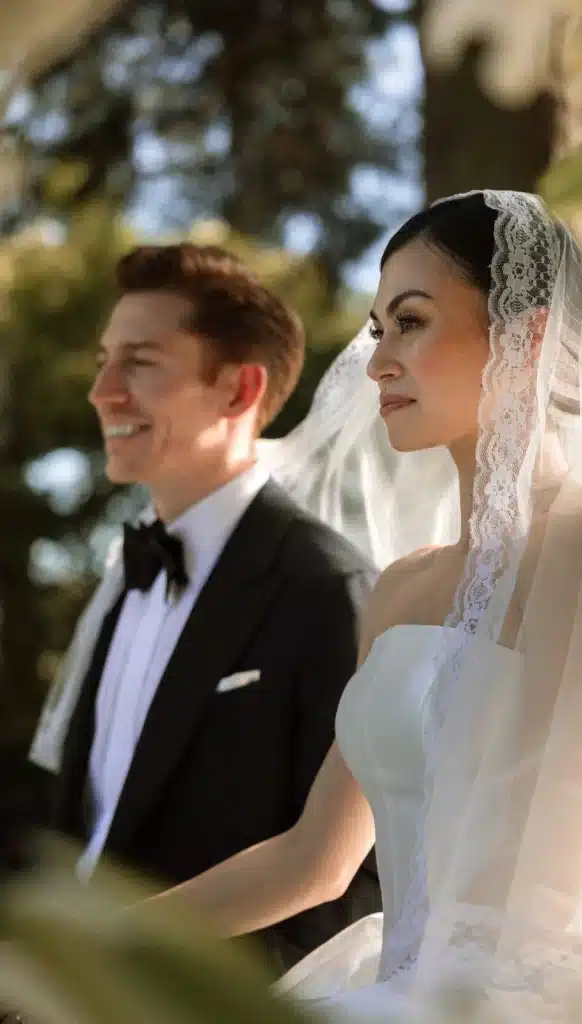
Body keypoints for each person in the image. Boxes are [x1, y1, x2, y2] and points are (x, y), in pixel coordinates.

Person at [146, 191, 582, 1022]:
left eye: (412, 321)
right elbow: (311, 862)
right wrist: (80, 951)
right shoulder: (401, 587)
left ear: (524, 334)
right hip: (390, 987)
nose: (377, 363)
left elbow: (558, 878)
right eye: (376, 330)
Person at [27, 243, 380, 973]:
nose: (103, 391)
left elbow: (354, 879)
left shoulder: (322, 585)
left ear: (237, 390)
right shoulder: (127, 574)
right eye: (103, 360)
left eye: (140, 363)